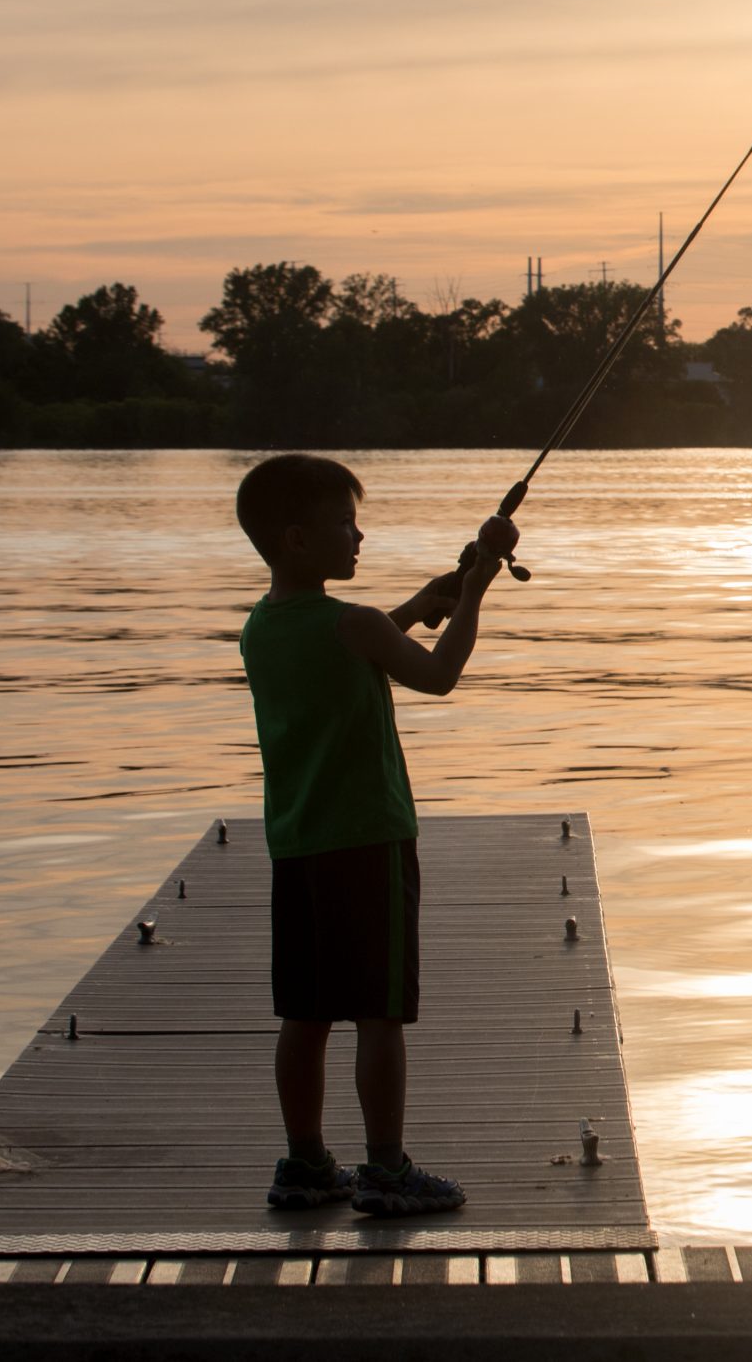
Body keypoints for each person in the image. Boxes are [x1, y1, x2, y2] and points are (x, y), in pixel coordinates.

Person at [234, 453, 502, 1217]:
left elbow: (355, 640)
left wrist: (420, 600)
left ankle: (306, 1163)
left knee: (307, 1012)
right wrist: (475, 590)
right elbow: (439, 673)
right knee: (381, 1012)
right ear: (296, 538)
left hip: (298, 845)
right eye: (345, 523)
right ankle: (385, 1169)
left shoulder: (263, 625)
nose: (360, 535)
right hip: (371, 842)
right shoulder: (355, 623)